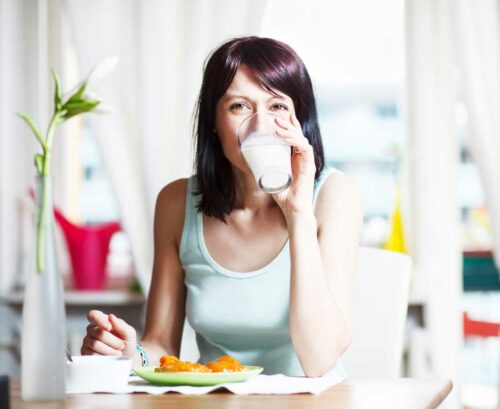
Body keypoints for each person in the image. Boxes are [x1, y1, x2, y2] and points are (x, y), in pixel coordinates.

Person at [81, 36, 363, 378]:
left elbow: (319, 360)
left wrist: (297, 212)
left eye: (277, 107)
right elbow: (161, 347)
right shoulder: (176, 203)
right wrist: (128, 352)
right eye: (239, 107)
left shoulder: (334, 195)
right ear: (213, 121)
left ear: (299, 120)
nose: (259, 125)